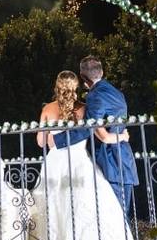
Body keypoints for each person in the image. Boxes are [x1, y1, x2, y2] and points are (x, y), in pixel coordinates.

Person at [29, 70, 150, 240]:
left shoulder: (48, 109)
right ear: (76, 87)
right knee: (88, 217)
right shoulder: (84, 110)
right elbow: (104, 137)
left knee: (53, 216)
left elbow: (41, 142)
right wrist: (123, 136)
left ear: (57, 86)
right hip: (80, 166)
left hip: (55, 166)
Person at [52, 56, 139, 215]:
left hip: (111, 161)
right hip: (124, 159)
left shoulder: (95, 95)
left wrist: (58, 140)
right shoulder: (117, 93)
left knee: (115, 217)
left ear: (83, 77)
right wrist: (123, 136)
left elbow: (91, 127)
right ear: (102, 71)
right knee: (121, 218)